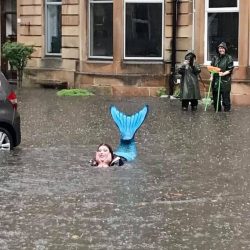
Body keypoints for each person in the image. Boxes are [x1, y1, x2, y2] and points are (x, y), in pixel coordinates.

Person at [210, 42, 234, 112]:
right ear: (218, 49)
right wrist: (211, 76)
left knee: (225, 96)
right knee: (216, 95)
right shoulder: (215, 57)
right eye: (220, 48)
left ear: (225, 49)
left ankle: (227, 109)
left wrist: (223, 74)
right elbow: (212, 68)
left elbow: (230, 69)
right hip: (216, 79)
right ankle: (217, 108)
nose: (221, 50)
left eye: (223, 48)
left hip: (225, 80)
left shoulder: (228, 58)